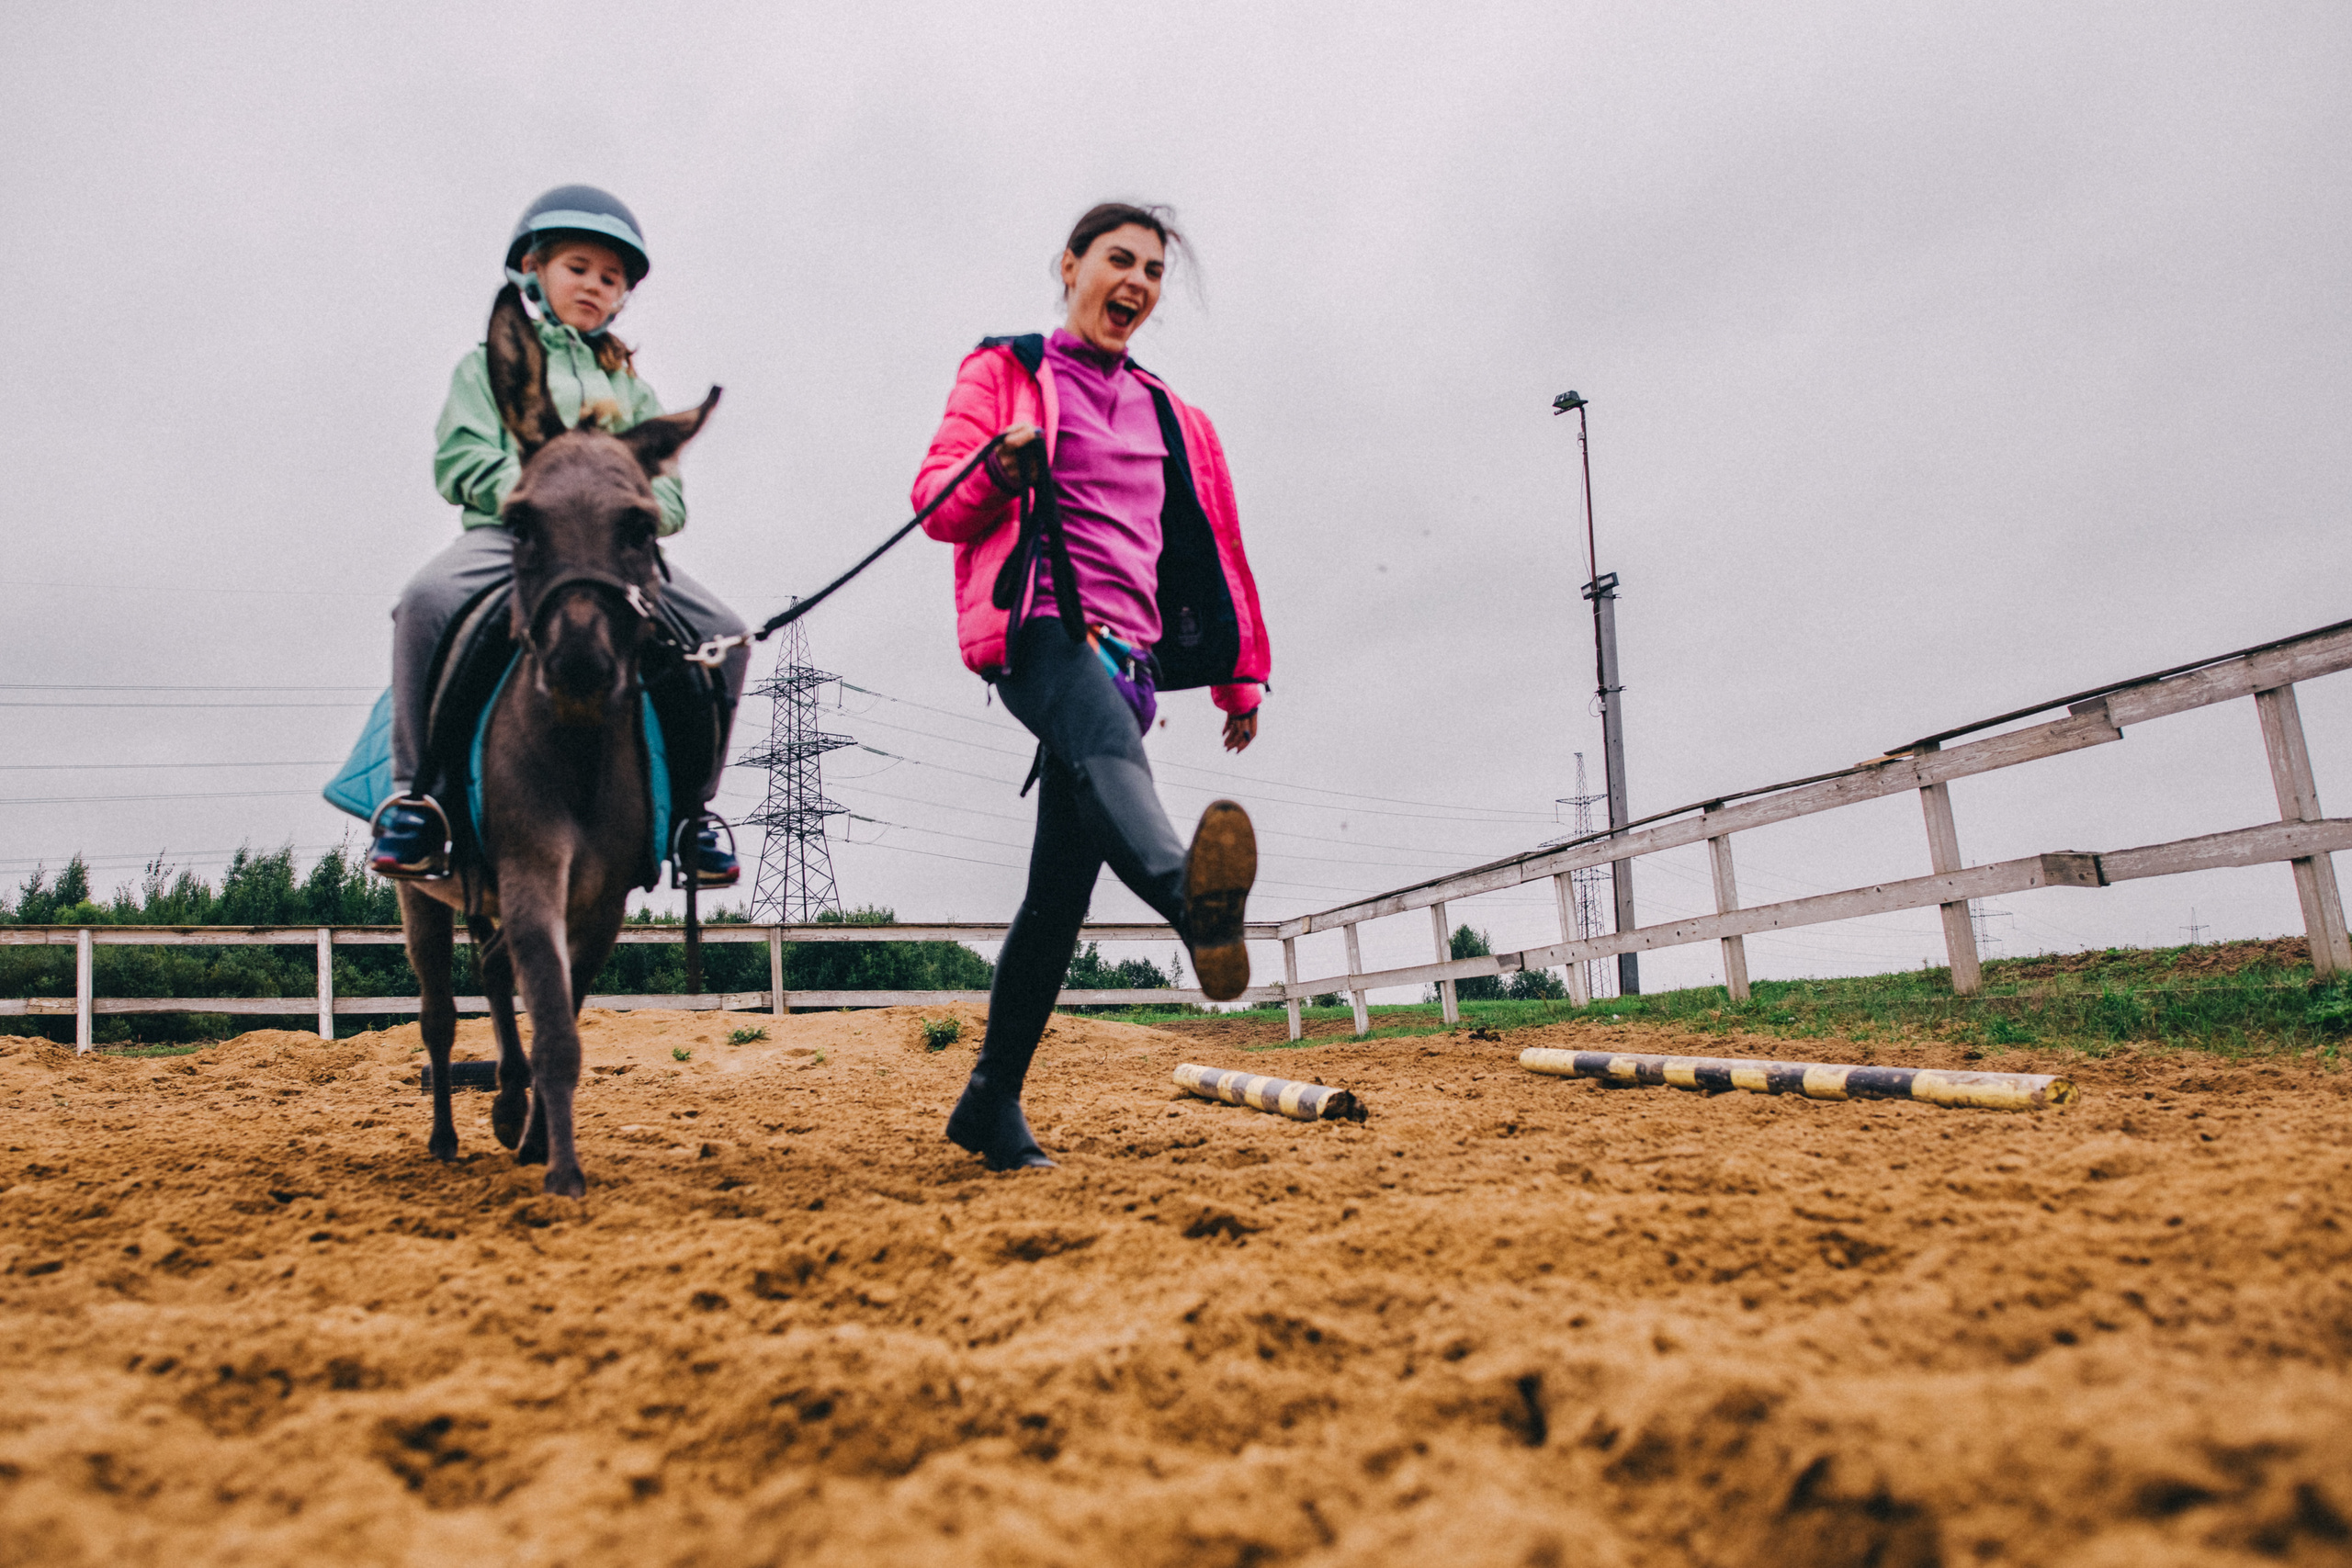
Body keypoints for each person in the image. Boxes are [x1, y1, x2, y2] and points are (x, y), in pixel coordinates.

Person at [911, 201, 1272, 1170]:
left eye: (1154, 271)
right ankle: (1186, 897)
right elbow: (935, 499)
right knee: (1106, 748)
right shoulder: (1007, 372)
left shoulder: (1171, 416)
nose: (1138, 283)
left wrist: (1239, 677)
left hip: (1134, 661)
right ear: (1069, 266)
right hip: (1039, 626)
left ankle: (989, 1099)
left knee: (1056, 899)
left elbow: (1211, 551)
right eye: (1120, 260)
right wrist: (998, 464)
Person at [369, 185, 748, 884]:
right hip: (515, 542)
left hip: (612, 557)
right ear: (532, 272)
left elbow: (665, 489)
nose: (595, 286)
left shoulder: (631, 389)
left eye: (611, 279)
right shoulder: (484, 364)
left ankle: (696, 814)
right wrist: (537, 501)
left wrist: (629, 517)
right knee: (421, 600)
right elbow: (460, 458)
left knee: (726, 632)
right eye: (579, 267)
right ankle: (417, 798)